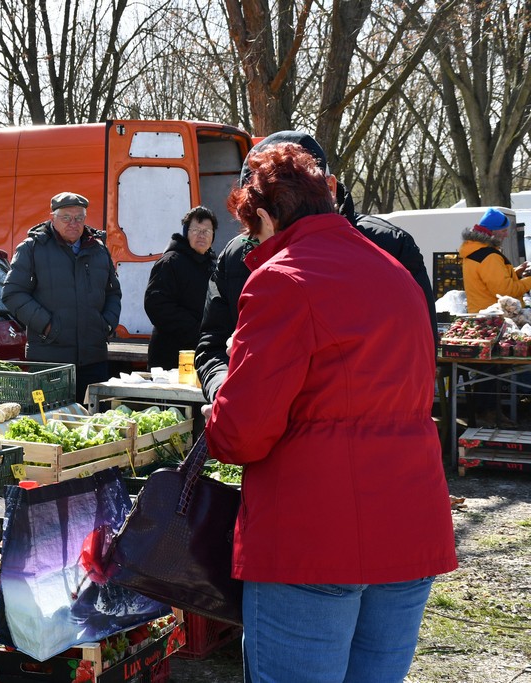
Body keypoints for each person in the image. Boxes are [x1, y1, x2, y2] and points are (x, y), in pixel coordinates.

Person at [204, 141, 457, 682]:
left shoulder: (281, 279)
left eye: (252, 229)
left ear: (267, 216)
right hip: (409, 525)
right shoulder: (393, 270)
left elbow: (240, 435)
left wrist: (221, 394)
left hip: (312, 537)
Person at [195, 131, 437, 403]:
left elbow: (418, 350)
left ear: (329, 187)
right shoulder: (236, 255)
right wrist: (224, 393)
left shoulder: (390, 245)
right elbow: (212, 344)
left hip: (360, 422)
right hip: (276, 424)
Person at [2, 192, 122, 401]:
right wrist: (48, 326)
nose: (73, 223)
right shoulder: (32, 248)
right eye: (66, 217)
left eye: (79, 218)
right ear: (52, 218)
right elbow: (12, 293)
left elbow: (113, 292)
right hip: (50, 361)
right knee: (52, 424)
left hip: (93, 359)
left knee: (95, 424)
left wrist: (107, 324)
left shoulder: (98, 249)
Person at [144, 205, 217, 370]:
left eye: (207, 231)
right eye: (196, 230)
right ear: (186, 232)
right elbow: (157, 305)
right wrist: (196, 330)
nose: (201, 235)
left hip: (202, 354)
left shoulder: (213, 264)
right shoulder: (170, 262)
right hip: (170, 358)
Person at [460, 207, 531, 313]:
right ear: (492, 231)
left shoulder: (474, 250)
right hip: (495, 318)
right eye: (504, 230)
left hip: (482, 315)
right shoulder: (489, 256)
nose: (506, 235)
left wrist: (516, 273)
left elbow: (491, 282)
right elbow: (506, 292)